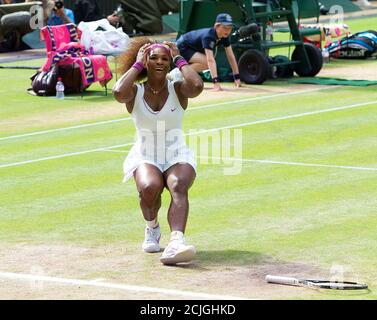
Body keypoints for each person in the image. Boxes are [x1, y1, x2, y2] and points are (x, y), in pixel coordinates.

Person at [112, 38, 203, 265]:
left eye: (164, 58)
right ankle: (152, 227)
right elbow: (118, 92)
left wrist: (179, 58)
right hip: (146, 153)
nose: (160, 62)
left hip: (176, 153)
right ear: (146, 61)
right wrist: (137, 65)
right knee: (149, 188)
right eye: (153, 58)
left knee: (177, 185)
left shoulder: (178, 88)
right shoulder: (134, 91)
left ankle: (176, 242)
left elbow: (198, 87)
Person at [174, 13, 241, 91]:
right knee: (207, 62)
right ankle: (178, 73)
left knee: (206, 63)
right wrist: (216, 83)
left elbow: (231, 56)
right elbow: (210, 60)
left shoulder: (224, 36)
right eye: (225, 27)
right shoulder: (208, 36)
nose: (228, 30)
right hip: (182, 47)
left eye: (230, 28)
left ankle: (178, 73)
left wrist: (237, 77)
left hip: (192, 48)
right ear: (217, 26)